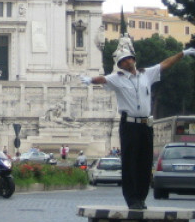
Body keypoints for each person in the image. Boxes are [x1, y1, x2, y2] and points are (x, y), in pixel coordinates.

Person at [80, 44, 195, 209]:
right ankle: (132, 198)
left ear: (134, 59)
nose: (127, 62)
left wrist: (182, 54)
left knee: (145, 162)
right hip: (129, 124)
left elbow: (165, 64)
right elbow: (103, 79)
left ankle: (141, 198)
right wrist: (90, 79)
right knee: (130, 162)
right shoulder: (117, 78)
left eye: (128, 59)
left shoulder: (146, 74)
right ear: (119, 65)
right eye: (123, 61)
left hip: (146, 125)